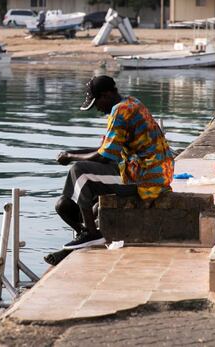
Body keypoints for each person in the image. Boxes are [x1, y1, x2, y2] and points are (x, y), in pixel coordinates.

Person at [54, 75, 175, 251]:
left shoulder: (120, 111)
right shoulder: (131, 102)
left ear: (107, 95)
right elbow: (105, 148)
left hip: (147, 178)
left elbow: (104, 156)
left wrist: (71, 157)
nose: (97, 108)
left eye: (97, 103)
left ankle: (91, 233)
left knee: (79, 170)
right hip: (152, 171)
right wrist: (70, 152)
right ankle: (82, 229)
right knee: (71, 196)